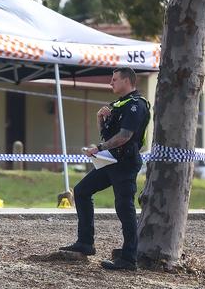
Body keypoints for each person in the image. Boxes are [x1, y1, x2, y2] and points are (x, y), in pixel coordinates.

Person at [60, 67, 150, 271]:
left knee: (124, 208)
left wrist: (98, 149)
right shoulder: (118, 104)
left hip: (126, 163)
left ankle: (128, 259)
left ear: (127, 81)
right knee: (82, 191)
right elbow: (107, 136)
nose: (111, 83)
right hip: (110, 161)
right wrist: (100, 120)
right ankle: (85, 243)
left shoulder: (136, 105)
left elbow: (125, 136)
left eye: (114, 79)